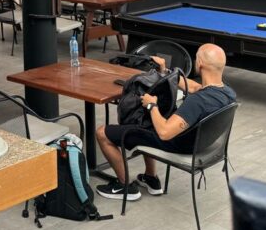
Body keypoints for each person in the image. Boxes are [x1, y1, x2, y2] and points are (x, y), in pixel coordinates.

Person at [94, 43, 236, 200]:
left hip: (178, 144)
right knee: (150, 119)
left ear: (200, 63)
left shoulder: (197, 102)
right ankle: (151, 178)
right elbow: (196, 87)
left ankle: (125, 186)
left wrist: (151, 104)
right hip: (202, 143)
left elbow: (164, 133)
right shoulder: (227, 92)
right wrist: (165, 71)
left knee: (102, 133)